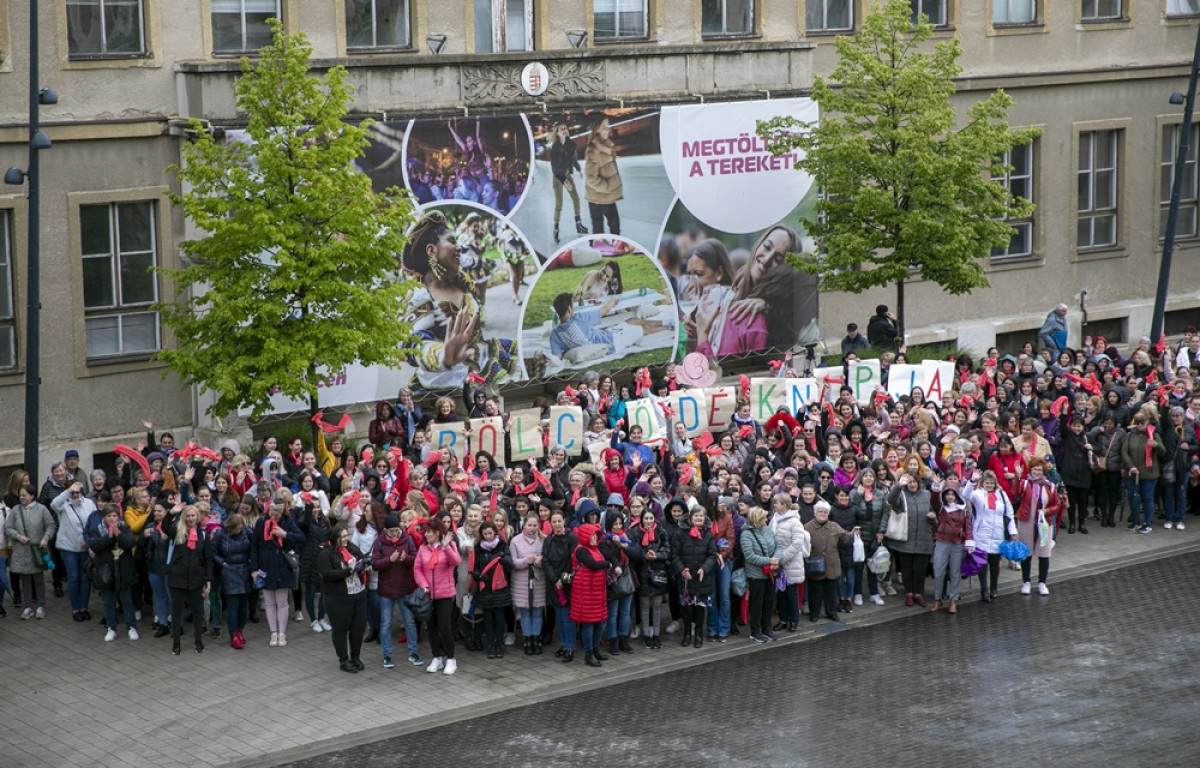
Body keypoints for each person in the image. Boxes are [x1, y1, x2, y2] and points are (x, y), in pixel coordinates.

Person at [400, 210, 518, 389]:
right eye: (451, 241)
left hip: (483, 362)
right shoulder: (420, 295)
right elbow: (416, 343)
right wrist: (443, 356)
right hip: (446, 381)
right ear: (431, 250)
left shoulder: (462, 285)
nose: (459, 247)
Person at [250, 502, 305, 648]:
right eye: (271, 514)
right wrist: (254, 569)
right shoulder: (261, 522)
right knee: (269, 602)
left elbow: (301, 538)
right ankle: (273, 632)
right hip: (266, 566)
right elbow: (254, 546)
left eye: (277, 515)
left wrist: (284, 534)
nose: (274, 517)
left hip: (282, 566)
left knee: (282, 602)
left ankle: (282, 633)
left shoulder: (288, 521)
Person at [372, 512, 422, 669]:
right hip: (386, 590)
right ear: (386, 530)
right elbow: (374, 564)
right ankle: (387, 655)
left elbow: (416, 559)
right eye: (391, 531)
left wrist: (405, 558)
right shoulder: (379, 542)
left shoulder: (407, 539)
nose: (394, 534)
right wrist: (389, 560)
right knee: (386, 623)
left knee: (409, 622)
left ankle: (413, 652)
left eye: (396, 530)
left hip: (404, 588)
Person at [162, 505, 213, 655]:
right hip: (177, 578)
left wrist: (208, 580)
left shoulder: (203, 535)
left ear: (198, 517)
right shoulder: (178, 532)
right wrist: (171, 511)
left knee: (198, 612)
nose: (191, 519)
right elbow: (165, 526)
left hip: (196, 579)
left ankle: (198, 641)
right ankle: (176, 643)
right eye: (188, 516)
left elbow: (208, 559)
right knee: (177, 613)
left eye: (193, 516)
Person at [414, 516, 462, 675]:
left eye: (429, 532)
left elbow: (456, 562)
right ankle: (436, 657)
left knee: (445, 627)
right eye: (426, 532)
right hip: (429, 595)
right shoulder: (422, 549)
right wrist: (424, 585)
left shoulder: (450, 545)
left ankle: (451, 659)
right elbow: (417, 569)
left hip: (445, 593)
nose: (426, 535)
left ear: (437, 533)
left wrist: (446, 546)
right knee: (431, 627)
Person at [319, 525, 370, 673]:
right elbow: (326, 574)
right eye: (342, 537)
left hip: (358, 595)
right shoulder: (326, 553)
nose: (346, 539)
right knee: (340, 630)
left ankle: (356, 657)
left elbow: (361, 559)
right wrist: (347, 572)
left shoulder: (352, 548)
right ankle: (344, 660)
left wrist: (364, 565)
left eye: (347, 536)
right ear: (335, 538)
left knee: (357, 629)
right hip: (338, 598)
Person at [4, 484, 56, 620]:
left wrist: (45, 538)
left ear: (32, 496)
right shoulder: (15, 510)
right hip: (21, 551)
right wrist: (18, 536)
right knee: (25, 579)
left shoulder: (41, 509)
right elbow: (8, 528)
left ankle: (40, 605)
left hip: (37, 549)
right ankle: (27, 606)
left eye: (24, 495)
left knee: (39, 579)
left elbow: (50, 525)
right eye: (20, 495)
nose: (22, 498)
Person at [88, 504, 139, 641]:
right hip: (106, 572)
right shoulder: (97, 530)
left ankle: (131, 627)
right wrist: (109, 537)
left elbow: (130, 543)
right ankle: (111, 627)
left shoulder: (124, 528)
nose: (112, 518)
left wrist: (119, 535)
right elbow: (95, 545)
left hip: (124, 571)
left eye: (114, 515)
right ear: (104, 517)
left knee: (126, 601)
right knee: (108, 601)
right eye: (109, 516)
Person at [884, 472, 935, 607]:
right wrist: (899, 486)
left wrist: (933, 517)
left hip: (924, 538)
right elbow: (890, 500)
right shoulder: (901, 494)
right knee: (907, 568)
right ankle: (909, 594)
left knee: (920, 569)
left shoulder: (926, 494)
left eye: (914, 482)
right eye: (909, 482)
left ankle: (918, 593)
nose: (912, 485)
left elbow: (933, 511)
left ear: (919, 483)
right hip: (906, 538)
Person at [804, 500, 859, 622]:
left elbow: (846, 540)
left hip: (832, 565)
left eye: (825, 512)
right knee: (815, 593)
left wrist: (852, 534)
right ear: (814, 513)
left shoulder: (834, 526)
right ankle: (814, 613)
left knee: (831, 592)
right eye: (820, 511)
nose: (822, 514)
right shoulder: (807, 527)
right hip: (814, 566)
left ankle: (832, 612)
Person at [1013, 458, 1062, 595]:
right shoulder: (1024, 484)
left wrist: (1046, 511)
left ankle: (1042, 582)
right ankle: (1026, 582)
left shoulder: (1050, 486)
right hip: (1026, 521)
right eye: (1034, 469)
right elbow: (1015, 492)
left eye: (1039, 470)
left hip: (1044, 524)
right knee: (1026, 553)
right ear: (1030, 470)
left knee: (1044, 554)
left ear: (1044, 471)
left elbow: (1057, 505)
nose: (1037, 472)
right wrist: (1017, 476)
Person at [672, 507, 718, 649]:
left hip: (701, 577)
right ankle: (686, 634)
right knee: (687, 608)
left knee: (699, 608)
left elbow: (712, 554)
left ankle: (698, 634)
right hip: (686, 577)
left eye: (701, 516)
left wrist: (705, 568)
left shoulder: (708, 535)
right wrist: (681, 570)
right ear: (691, 518)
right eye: (696, 516)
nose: (699, 518)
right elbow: (675, 555)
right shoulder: (680, 533)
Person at [50, 481, 95, 622]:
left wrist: (89, 542)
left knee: (85, 578)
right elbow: (53, 504)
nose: (75, 495)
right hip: (68, 547)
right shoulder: (63, 505)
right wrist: (68, 491)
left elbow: (92, 523)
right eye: (72, 493)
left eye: (77, 492)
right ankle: (76, 608)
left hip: (84, 547)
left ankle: (84, 607)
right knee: (74, 577)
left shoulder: (89, 503)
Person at [969, 471, 1017, 604]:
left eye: (992, 483)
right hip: (981, 534)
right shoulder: (978, 494)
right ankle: (984, 590)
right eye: (987, 483)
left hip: (997, 533)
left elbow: (1009, 513)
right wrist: (971, 481)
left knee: (995, 564)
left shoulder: (1001, 494)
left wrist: (1013, 531)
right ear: (982, 483)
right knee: (982, 564)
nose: (989, 485)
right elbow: (965, 495)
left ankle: (994, 588)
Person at [569, 522, 611, 667]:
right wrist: (608, 564)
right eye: (592, 536)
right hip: (585, 593)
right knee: (588, 624)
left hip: (596, 593)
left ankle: (595, 649)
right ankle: (589, 654)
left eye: (596, 536)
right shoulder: (581, 550)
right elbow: (592, 565)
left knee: (600, 622)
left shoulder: (596, 549)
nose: (594, 538)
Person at [470, 520, 513, 660]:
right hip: (485, 588)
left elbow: (509, 564)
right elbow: (475, 567)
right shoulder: (478, 548)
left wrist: (503, 559)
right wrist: (477, 575)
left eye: (490, 533)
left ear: (495, 532)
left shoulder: (502, 545)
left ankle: (499, 644)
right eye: (485, 534)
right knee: (488, 619)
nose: (488, 536)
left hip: (500, 587)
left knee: (499, 618)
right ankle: (491, 644)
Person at [628, 507, 669, 649]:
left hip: (658, 573)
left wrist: (657, 555)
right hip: (642, 573)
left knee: (657, 606)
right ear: (641, 519)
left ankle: (656, 635)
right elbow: (633, 552)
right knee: (645, 607)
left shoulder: (661, 531)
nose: (648, 521)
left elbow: (667, 551)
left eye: (651, 518)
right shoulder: (634, 532)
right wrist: (644, 556)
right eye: (646, 518)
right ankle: (647, 636)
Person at [212, 512, 253, 649]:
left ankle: (240, 630)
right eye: (237, 528)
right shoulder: (220, 534)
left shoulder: (247, 532)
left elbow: (254, 548)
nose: (238, 531)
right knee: (233, 604)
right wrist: (222, 563)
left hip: (245, 570)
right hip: (229, 570)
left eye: (240, 528)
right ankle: (233, 634)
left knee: (243, 605)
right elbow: (212, 551)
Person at [929, 488, 974, 614]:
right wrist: (936, 487)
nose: (950, 497)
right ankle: (937, 598)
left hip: (957, 543)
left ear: (956, 496)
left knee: (955, 573)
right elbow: (934, 499)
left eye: (952, 494)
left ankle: (953, 599)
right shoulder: (941, 507)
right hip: (942, 541)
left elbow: (968, 527)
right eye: (947, 494)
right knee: (938, 571)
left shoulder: (963, 509)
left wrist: (970, 543)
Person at [770, 493, 810, 629]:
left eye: (777, 503)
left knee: (791, 593)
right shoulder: (774, 519)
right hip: (778, 563)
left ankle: (793, 620)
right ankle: (782, 620)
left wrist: (782, 557)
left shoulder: (794, 521)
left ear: (784, 505)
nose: (774, 505)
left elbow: (797, 544)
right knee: (781, 593)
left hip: (791, 563)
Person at [739, 506, 780, 643]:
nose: (766, 520)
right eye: (763, 518)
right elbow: (750, 556)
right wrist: (769, 560)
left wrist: (777, 559)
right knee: (757, 603)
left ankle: (766, 628)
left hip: (770, 573)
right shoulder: (746, 534)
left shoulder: (767, 530)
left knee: (769, 602)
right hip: (756, 575)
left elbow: (778, 545)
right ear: (756, 519)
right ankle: (755, 631)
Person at [510, 513, 547, 656]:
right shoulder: (515, 541)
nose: (532, 528)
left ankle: (536, 639)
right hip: (521, 580)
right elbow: (513, 562)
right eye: (529, 525)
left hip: (538, 579)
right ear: (523, 525)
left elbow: (548, 560)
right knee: (525, 611)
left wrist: (540, 561)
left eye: (535, 525)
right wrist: (527, 561)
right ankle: (527, 639)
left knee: (538, 611)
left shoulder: (543, 540)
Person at [543, 512, 578, 662]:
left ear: (564, 521)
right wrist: (554, 579)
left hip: (567, 583)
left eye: (559, 521)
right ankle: (564, 644)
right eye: (554, 521)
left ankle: (570, 647)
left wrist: (563, 579)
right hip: (553, 583)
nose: (557, 524)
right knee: (559, 616)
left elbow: (574, 561)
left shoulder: (571, 538)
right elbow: (545, 560)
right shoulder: (548, 540)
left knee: (567, 617)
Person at [548, 122, 588, 243]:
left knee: (576, 198)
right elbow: (554, 168)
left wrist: (579, 169)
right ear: (557, 133)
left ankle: (578, 224)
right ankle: (555, 228)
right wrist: (564, 181)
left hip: (566, 174)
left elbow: (574, 159)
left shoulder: (571, 144)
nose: (564, 130)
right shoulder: (554, 148)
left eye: (565, 128)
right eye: (561, 129)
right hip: (558, 177)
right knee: (559, 204)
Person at [584, 116, 622, 235]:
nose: (607, 129)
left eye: (608, 126)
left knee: (615, 225)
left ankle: (617, 248)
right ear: (596, 129)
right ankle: (599, 250)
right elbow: (591, 178)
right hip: (597, 198)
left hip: (606, 197)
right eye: (603, 126)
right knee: (599, 230)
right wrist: (607, 187)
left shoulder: (606, 145)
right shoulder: (593, 150)